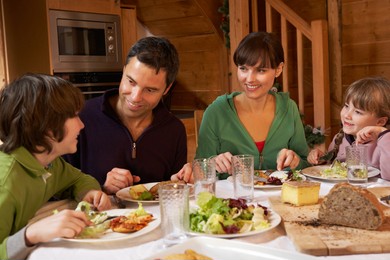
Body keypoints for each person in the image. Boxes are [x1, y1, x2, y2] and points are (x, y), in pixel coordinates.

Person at [0, 74, 111, 260]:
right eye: (74, 116)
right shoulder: (5, 183)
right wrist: (30, 234)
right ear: (47, 126)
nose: (82, 125)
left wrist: (88, 192)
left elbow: (79, 179)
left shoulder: (50, 164)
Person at [172, 31, 310, 182]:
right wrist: (214, 163)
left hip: (280, 201)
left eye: (261, 70)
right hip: (232, 202)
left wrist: (296, 160)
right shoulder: (216, 111)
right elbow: (198, 172)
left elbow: (305, 165)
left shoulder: (289, 108)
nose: (249, 79)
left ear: (278, 69)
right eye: (243, 68)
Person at [65, 36, 187, 194]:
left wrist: (181, 182)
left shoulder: (174, 130)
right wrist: (101, 188)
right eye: (131, 81)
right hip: (93, 217)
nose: (135, 97)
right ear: (123, 71)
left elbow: (174, 191)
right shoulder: (81, 118)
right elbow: (58, 191)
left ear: (166, 89)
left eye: (150, 90)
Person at [308, 76, 390, 180]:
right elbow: (333, 171)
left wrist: (384, 134)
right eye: (346, 106)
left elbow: (388, 177)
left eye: (358, 112)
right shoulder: (340, 138)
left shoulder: (384, 144)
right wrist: (321, 159)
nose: (347, 115)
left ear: (380, 122)